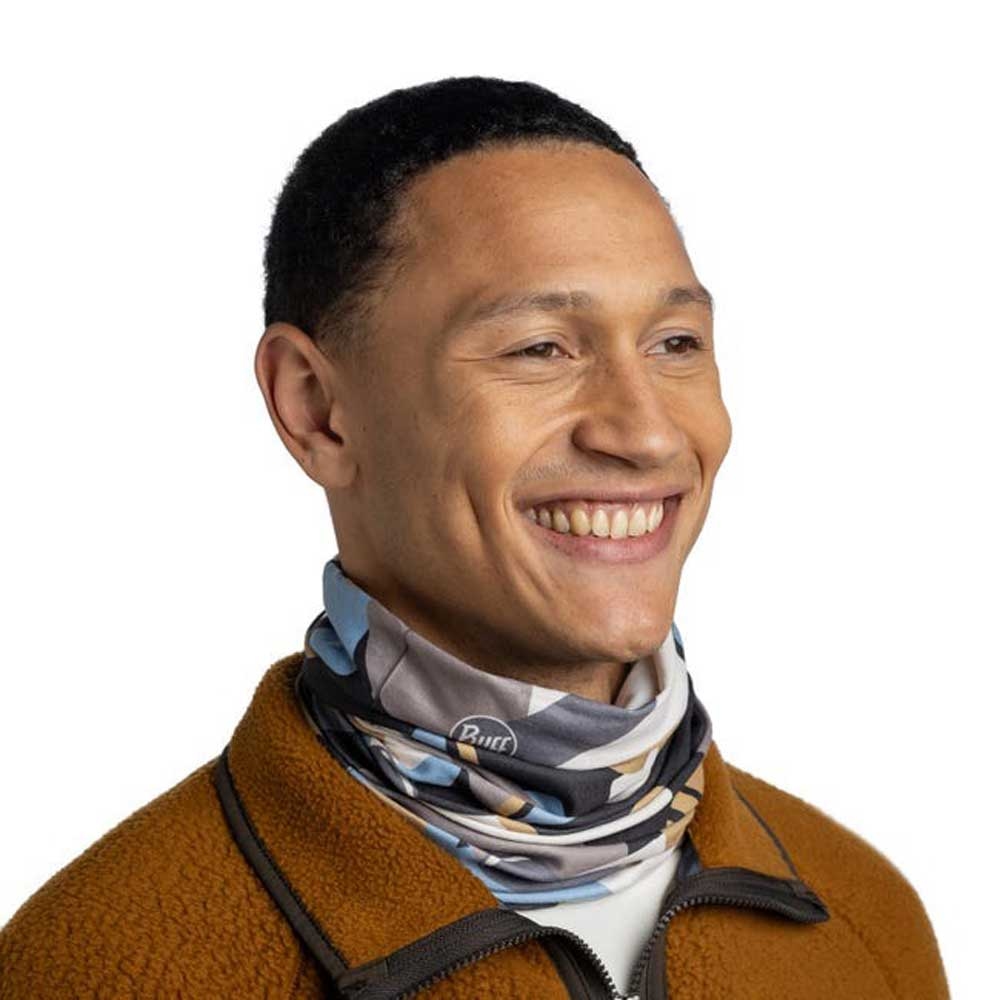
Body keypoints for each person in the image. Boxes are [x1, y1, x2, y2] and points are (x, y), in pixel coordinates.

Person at [0, 76, 949, 1000]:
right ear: (317, 408)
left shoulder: (866, 918)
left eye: (675, 344)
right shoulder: (91, 966)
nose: (648, 433)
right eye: (541, 348)